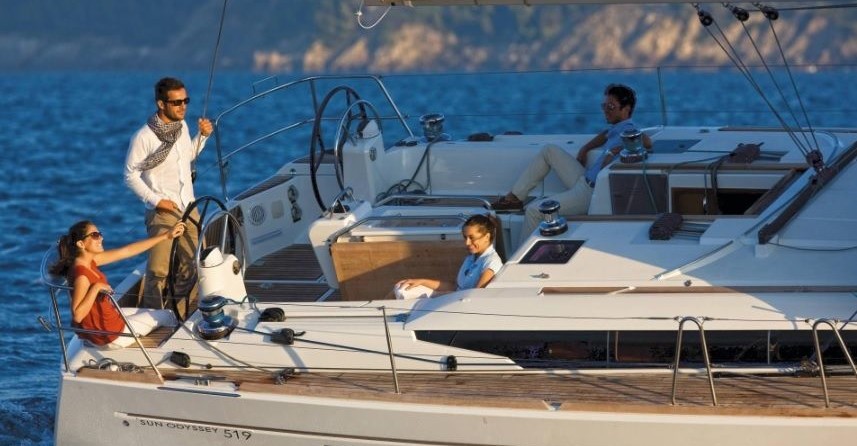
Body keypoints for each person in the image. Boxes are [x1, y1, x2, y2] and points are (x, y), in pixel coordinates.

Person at [491, 83, 653, 241]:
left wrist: (619, 149)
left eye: (611, 106)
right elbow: (605, 135)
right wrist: (585, 149)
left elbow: (647, 141)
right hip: (584, 179)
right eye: (604, 106)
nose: (605, 110)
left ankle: (521, 259)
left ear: (626, 109)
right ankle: (515, 198)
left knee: (534, 211)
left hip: (590, 194)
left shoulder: (629, 129)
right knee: (549, 151)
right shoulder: (618, 127)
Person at [124, 77, 213, 310]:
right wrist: (156, 201)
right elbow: (130, 175)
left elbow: (187, 156)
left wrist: (202, 137)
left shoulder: (182, 127)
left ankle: (178, 312)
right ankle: (153, 315)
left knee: (194, 263)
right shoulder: (144, 137)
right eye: (176, 102)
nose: (183, 107)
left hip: (188, 207)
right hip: (162, 212)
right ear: (161, 104)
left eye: (185, 101)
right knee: (158, 271)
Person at [49, 220, 185, 349]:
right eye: (95, 235)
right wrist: (96, 288)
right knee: (168, 315)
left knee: (153, 313)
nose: (101, 238)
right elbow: (78, 315)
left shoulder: (86, 262)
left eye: (99, 234)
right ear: (81, 244)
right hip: (111, 336)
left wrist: (166, 236)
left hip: (104, 325)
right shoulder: (82, 275)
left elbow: (126, 251)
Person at [395, 214, 503, 299]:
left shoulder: (491, 262)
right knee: (402, 287)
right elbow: (455, 286)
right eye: (465, 237)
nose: (467, 243)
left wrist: (442, 297)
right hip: (454, 297)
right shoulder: (471, 258)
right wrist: (422, 281)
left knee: (402, 292)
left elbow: (476, 295)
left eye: (472, 237)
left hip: (459, 303)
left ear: (487, 237)